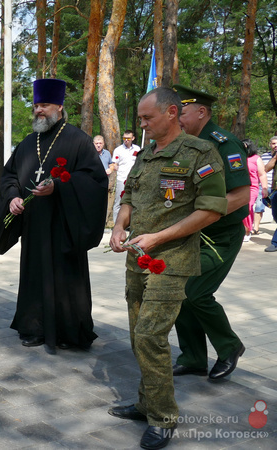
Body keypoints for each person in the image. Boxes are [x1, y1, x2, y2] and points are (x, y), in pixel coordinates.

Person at [108, 87, 228, 449]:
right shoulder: (146, 155)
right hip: (136, 257)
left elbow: (211, 209)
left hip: (169, 261)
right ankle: (147, 402)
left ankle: (163, 417)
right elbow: (129, 195)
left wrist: (158, 238)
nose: (141, 125)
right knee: (136, 336)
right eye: (141, 119)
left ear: (172, 112)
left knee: (150, 336)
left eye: (148, 118)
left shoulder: (200, 152)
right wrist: (118, 225)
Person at [0, 79, 108, 351]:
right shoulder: (27, 143)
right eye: (35, 106)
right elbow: (9, 176)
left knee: (66, 279)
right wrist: (12, 198)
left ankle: (70, 331)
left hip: (65, 225)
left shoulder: (79, 141)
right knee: (34, 276)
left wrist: (59, 186)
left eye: (44, 105)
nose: (39, 110)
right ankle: (34, 327)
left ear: (60, 106)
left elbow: (94, 181)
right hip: (34, 226)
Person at [171, 85, 249, 381]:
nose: (176, 118)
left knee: (195, 291)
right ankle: (192, 357)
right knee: (179, 291)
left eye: (182, 112)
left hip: (220, 236)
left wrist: (199, 217)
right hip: (191, 233)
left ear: (201, 112)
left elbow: (241, 195)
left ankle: (229, 345)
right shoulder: (185, 143)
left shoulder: (223, 143)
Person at [112, 130, 141, 222]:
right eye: (124, 138)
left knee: (133, 201)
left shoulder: (137, 149)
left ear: (133, 138)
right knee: (119, 201)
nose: (126, 140)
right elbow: (114, 163)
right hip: (122, 178)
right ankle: (116, 223)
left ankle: (129, 223)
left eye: (128, 138)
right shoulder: (118, 150)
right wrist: (114, 166)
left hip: (133, 179)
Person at [243, 140, 268, 242]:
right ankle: (241, 230)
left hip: (252, 188)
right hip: (240, 188)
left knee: (248, 207)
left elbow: (262, 174)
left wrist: (265, 188)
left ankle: (247, 231)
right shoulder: (238, 157)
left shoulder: (256, 159)